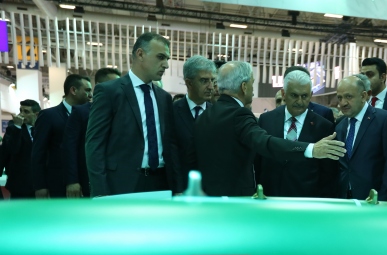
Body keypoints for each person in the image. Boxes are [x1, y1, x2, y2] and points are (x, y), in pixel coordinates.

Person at [194, 61, 345, 196]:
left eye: (304, 96)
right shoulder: (242, 115)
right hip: (237, 199)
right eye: (252, 84)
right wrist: (310, 149)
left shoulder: (204, 116)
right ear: (244, 87)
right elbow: (265, 143)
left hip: (207, 195)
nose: (253, 90)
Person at [86, 32, 182, 197]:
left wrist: (177, 187)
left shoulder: (164, 98)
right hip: (122, 184)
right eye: (160, 57)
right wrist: (100, 192)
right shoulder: (110, 92)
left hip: (161, 183)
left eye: (167, 58)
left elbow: (171, 145)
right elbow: (95, 144)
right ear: (140, 54)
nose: (166, 65)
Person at [256, 70, 337, 198]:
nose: (299, 101)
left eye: (304, 96)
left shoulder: (323, 127)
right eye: (294, 95)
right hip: (269, 196)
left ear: (311, 95)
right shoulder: (266, 120)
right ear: (284, 94)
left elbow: (327, 173)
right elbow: (258, 161)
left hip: (306, 200)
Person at [335, 74, 387, 201]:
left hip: (374, 199)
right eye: (340, 97)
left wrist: (384, 198)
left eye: (348, 96)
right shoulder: (340, 124)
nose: (343, 103)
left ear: (363, 96)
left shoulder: (384, 120)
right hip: (344, 199)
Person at [63, 67, 121, 198]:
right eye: (114, 84)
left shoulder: (124, 111)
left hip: (121, 177)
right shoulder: (81, 112)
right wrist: (72, 181)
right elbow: (69, 148)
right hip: (91, 177)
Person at [31, 74, 92, 198]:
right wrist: (40, 186)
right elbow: (38, 153)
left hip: (86, 182)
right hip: (58, 184)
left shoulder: (90, 115)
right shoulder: (49, 115)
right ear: (73, 90)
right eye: (87, 90)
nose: (90, 95)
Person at [173, 55, 216, 191]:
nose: (211, 87)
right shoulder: (171, 112)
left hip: (212, 190)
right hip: (182, 188)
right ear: (189, 83)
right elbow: (172, 156)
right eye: (204, 81)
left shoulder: (218, 114)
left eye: (212, 80)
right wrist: (177, 189)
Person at [0, 100, 40, 199]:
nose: (21, 114)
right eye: (20, 110)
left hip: (40, 183)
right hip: (20, 183)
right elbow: (12, 149)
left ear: (36, 114)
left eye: (26, 112)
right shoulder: (13, 127)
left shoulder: (42, 128)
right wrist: (17, 126)